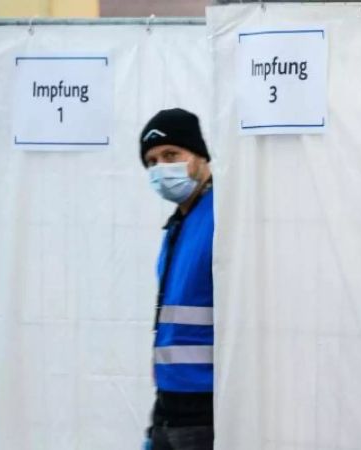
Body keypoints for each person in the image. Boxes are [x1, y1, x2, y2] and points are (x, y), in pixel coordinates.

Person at [139, 108, 215, 450]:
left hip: (205, 405)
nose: (160, 169)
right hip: (169, 403)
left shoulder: (221, 216)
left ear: (200, 156)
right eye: (152, 161)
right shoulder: (176, 226)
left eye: (171, 155)